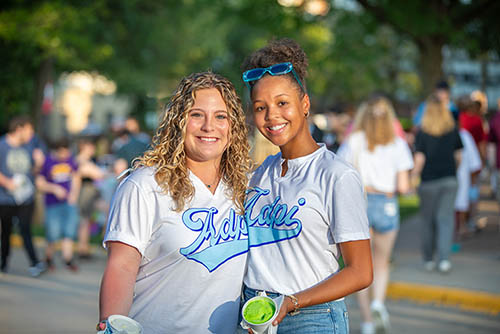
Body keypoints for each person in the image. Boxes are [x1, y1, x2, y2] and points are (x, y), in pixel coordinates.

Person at [98, 72, 252, 333]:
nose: (208, 126)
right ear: (178, 121)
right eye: (196, 115)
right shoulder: (145, 185)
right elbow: (121, 266)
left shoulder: (244, 189)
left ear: (233, 126)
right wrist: (110, 326)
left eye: (221, 116)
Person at [240, 38, 372, 334]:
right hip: (254, 316)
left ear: (305, 104)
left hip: (311, 317)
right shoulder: (260, 174)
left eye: (282, 103)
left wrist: (292, 302)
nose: (272, 115)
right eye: (260, 107)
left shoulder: (336, 175)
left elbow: (361, 272)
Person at [337, 96, 413, 334]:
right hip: (387, 203)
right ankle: (379, 302)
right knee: (382, 262)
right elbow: (403, 186)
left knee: (361, 266)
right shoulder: (398, 144)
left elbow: (339, 174)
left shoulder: (354, 141)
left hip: (361, 203)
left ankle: (368, 321)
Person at [411, 94, 463, 273]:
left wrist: (413, 177)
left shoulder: (422, 133)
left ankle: (428, 259)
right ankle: (444, 259)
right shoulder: (453, 130)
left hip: (428, 181)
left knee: (427, 221)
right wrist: (452, 171)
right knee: (445, 220)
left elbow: (419, 159)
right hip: (449, 179)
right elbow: (458, 157)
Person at [0, 116, 46, 277]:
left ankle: (35, 263)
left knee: (25, 228)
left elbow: (32, 172)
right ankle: (3, 262)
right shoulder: (2, 146)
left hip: (26, 197)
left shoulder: (28, 147)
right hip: (5, 198)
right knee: (6, 231)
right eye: (29, 130)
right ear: (19, 129)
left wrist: (39, 163)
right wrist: (6, 182)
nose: (31, 134)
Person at [36, 138, 81, 271]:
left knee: (69, 231)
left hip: (69, 202)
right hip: (52, 203)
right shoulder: (47, 162)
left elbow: (76, 177)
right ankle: (48, 258)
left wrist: (74, 194)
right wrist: (54, 189)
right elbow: (40, 183)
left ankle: (68, 258)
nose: (65, 155)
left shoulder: (71, 160)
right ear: (56, 151)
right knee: (53, 233)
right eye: (62, 152)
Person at [76, 138, 107, 259]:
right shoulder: (81, 160)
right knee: (85, 221)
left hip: (91, 192)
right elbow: (97, 174)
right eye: (91, 146)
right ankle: (82, 249)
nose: (93, 149)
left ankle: (87, 246)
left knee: (107, 210)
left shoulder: (88, 160)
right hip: (86, 192)